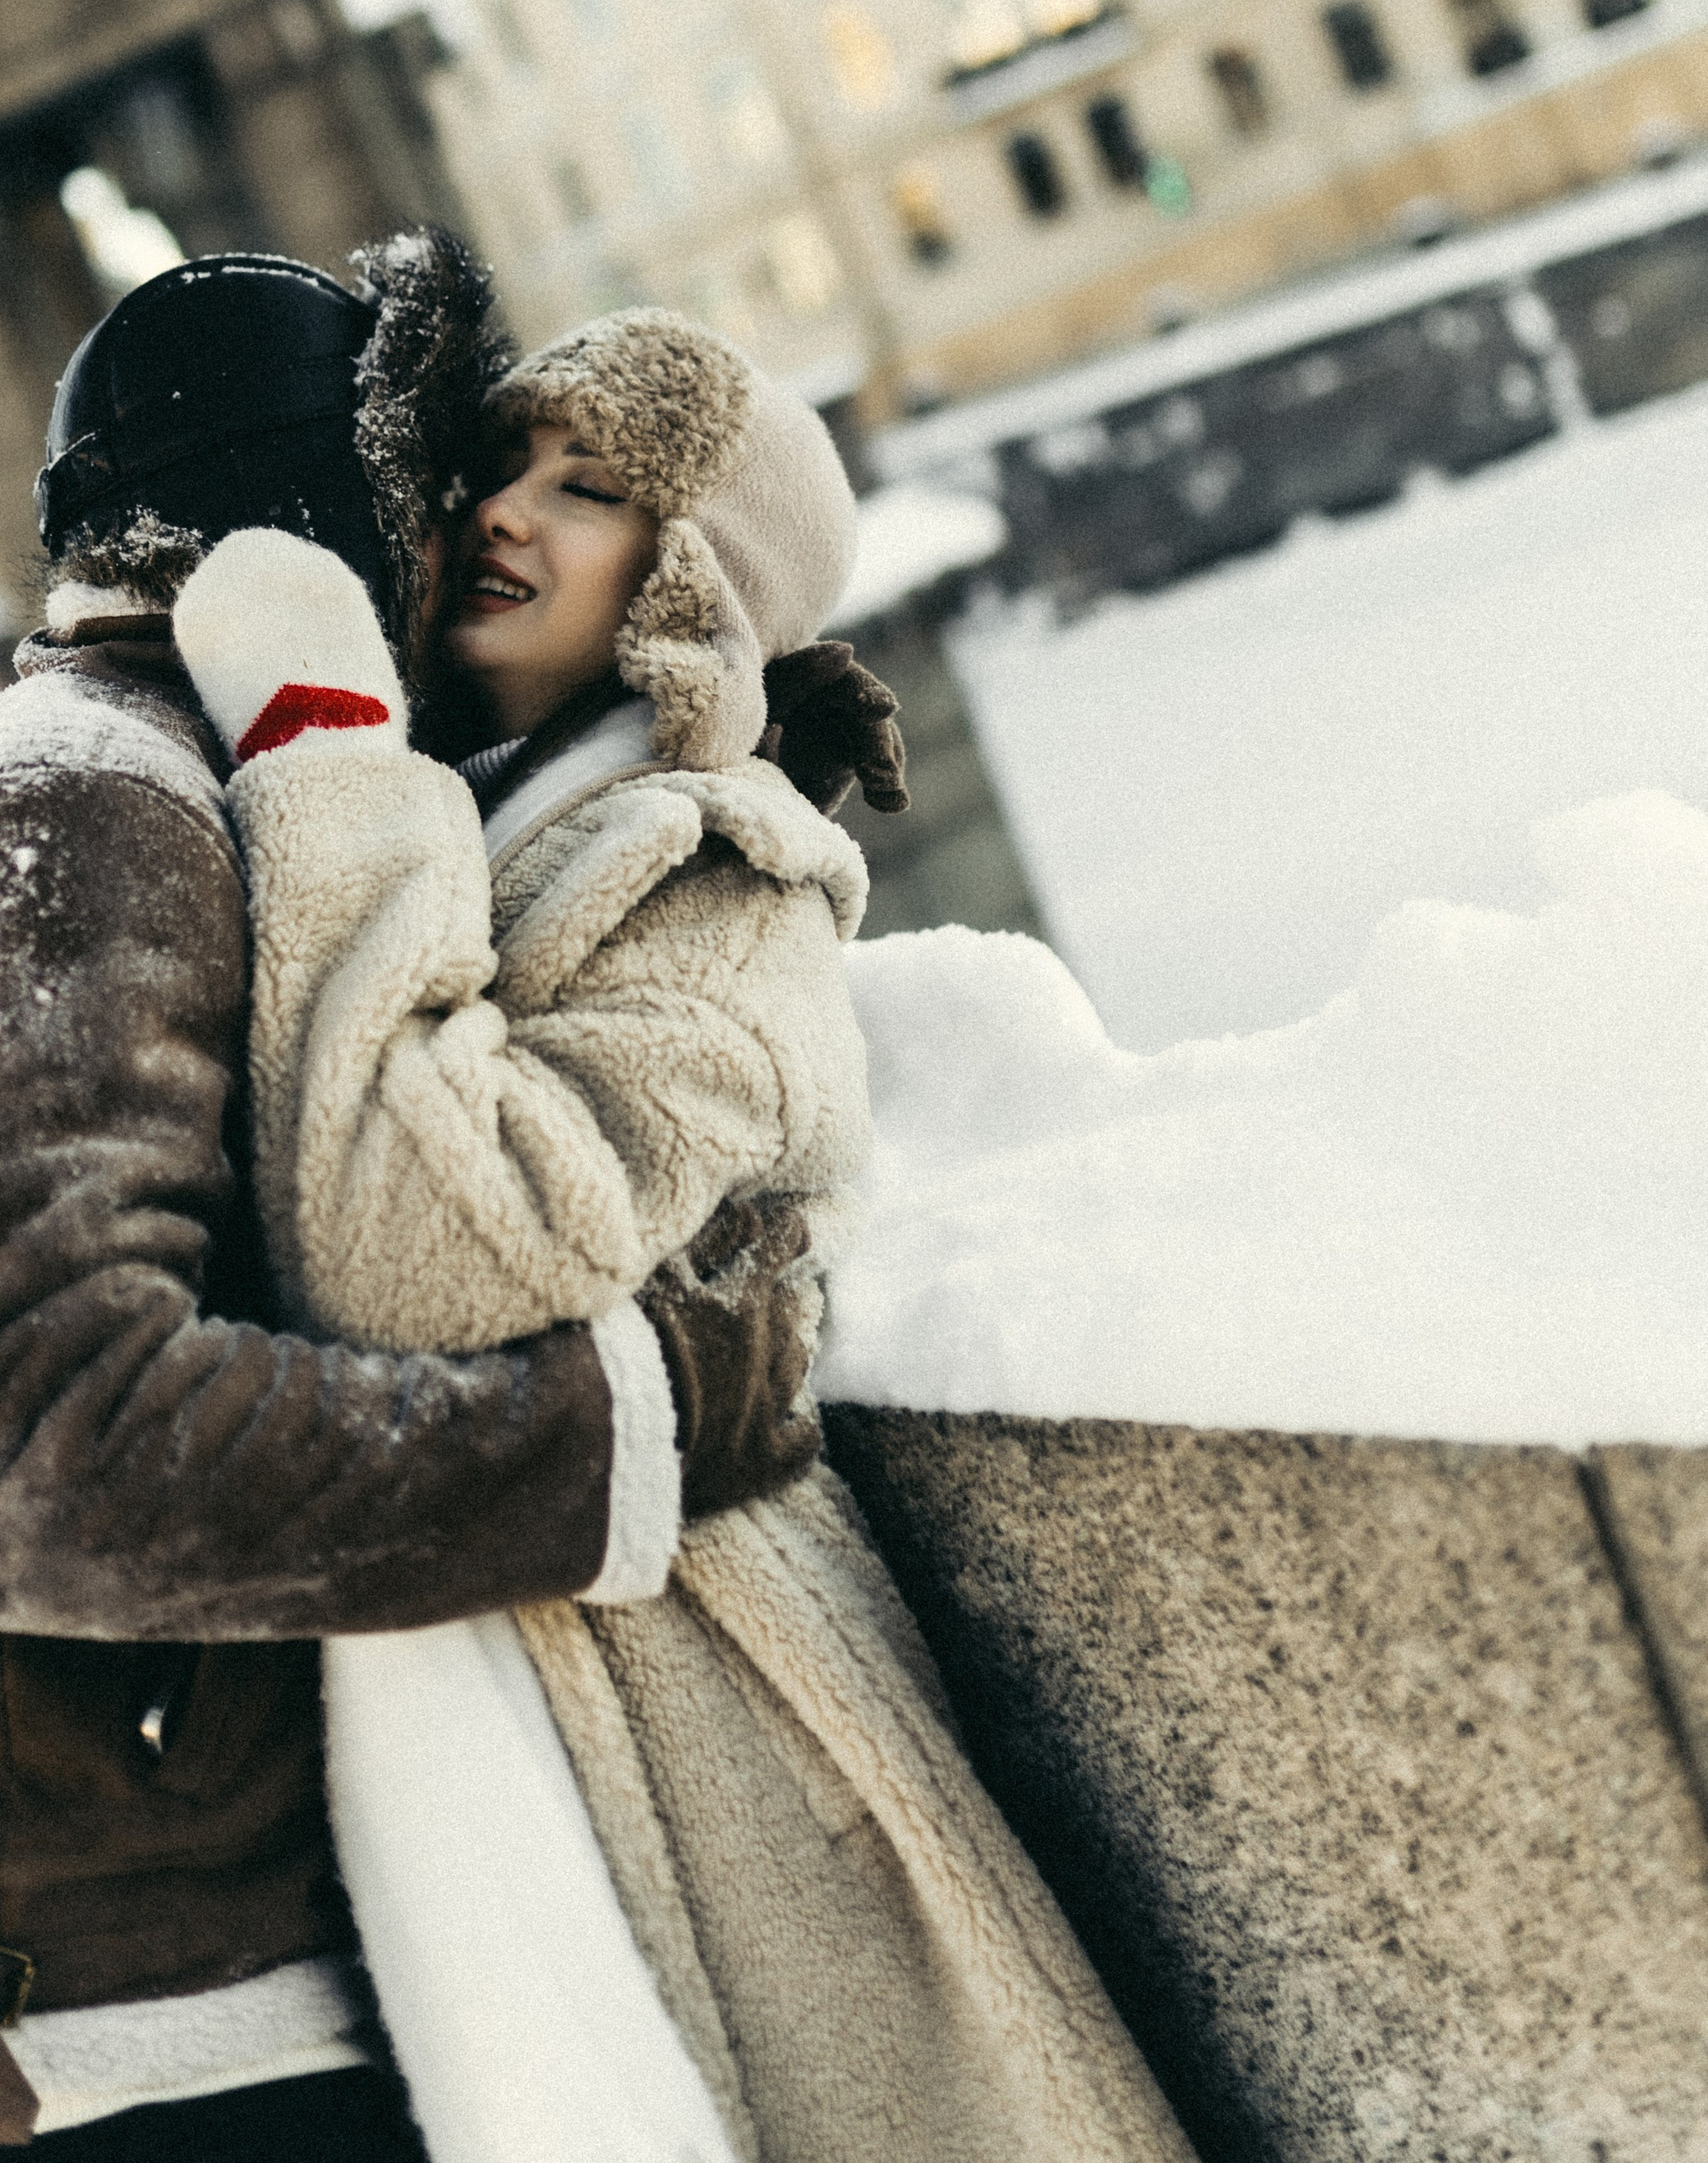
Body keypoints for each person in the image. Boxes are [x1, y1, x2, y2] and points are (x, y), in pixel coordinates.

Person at [0, 240, 826, 2163]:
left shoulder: (148, 786)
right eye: (442, 482)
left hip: (93, 1986)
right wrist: (611, 1436)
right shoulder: (68, 821)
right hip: (69, 2031)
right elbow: (11, 1457)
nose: (467, 535)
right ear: (328, 511)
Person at [169, 307, 1191, 2163]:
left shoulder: (715, 901)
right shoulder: (496, 833)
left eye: (590, 490)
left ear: (690, 589)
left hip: (711, 1765)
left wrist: (317, 740)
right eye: (497, 466)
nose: (502, 516)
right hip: (511, 1722)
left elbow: (417, 1254)